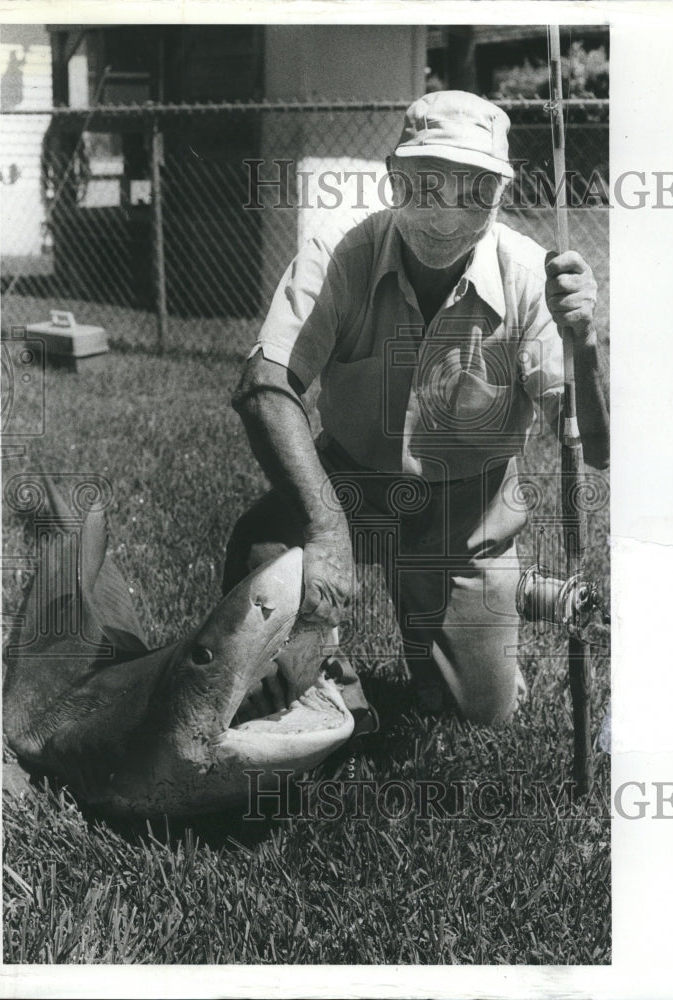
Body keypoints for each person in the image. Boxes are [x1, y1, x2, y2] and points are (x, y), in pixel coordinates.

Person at [224, 90, 609, 730]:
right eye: (426, 185)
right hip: (351, 482)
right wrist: (323, 526)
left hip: (471, 508)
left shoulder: (529, 278)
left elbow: (596, 447)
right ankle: (323, 676)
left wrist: (586, 345)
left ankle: (501, 584)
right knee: (263, 553)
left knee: (479, 716)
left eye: (475, 190)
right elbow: (264, 387)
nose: (447, 211)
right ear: (393, 176)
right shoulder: (339, 254)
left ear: (501, 193)